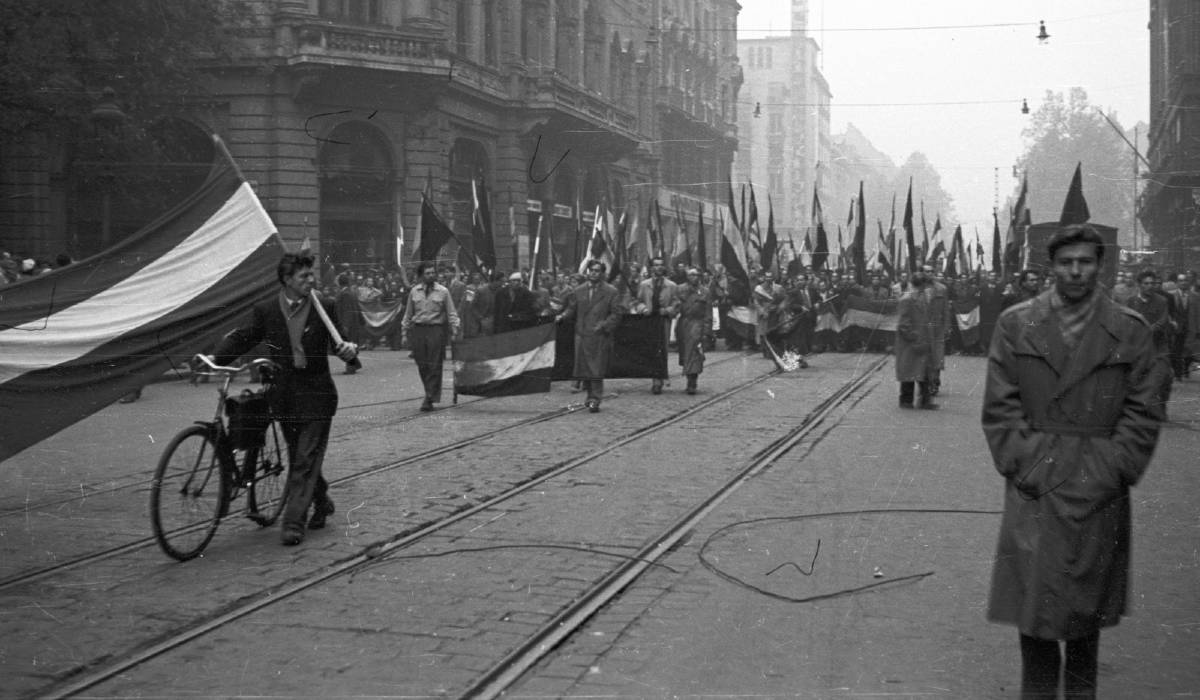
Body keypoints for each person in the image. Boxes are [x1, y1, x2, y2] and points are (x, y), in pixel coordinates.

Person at [982, 224, 1162, 699]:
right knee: (1034, 614)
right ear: (1051, 266)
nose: (1076, 271)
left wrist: (1109, 469)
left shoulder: (1128, 329)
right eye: (1066, 262)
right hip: (1035, 486)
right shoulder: (1016, 324)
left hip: (1098, 488)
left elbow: (1144, 410)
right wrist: (1026, 463)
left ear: (1100, 266)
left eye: (1085, 262)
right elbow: (1000, 407)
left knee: (1086, 619)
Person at [207, 253, 358, 546]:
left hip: (317, 395)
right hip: (284, 396)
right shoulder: (267, 310)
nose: (311, 280)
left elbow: (341, 340)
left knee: (303, 459)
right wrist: (217, 357)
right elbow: (245, 337)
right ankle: (321, 500)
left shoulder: (324, 306)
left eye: (311, 274)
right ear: (287, 280)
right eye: (304, 276)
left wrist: (349, 351)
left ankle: (293, 523)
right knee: (303, 457)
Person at [556, 260, 623, 412]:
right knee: (584, 369)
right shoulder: (578, 290)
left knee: (596, 369)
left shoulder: (610, 291)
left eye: (597, 271)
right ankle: (590, 395)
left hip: (598, 336)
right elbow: (572, 309)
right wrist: (561, 317)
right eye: (591, 270)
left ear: (602, 273)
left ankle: (595, 399)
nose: (593, 273)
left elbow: (616, 313)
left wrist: (604, 326)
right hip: (581, 335)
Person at [401, 261, 460, 412]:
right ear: (421, 275)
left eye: (433, 272)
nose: (431, 275)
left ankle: (429, 397)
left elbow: (451, 312)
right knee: (422, 365)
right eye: (427, 273)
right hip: (418, 330)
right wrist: (404, 333)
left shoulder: (443, 291)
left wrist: (454, 329)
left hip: (436, 330)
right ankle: (430, 392)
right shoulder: (414, 292)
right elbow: (408, 314)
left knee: (434, 364)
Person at [894, 266, 939, 410]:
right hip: (910, 343)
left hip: (922, 342)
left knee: (924, 371)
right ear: (919, 285)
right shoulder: (906, 300)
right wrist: (914, 337)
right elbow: (903, 324)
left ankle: (925, 401)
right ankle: (906, 400)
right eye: (924, 286)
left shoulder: (922, 298)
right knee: (909, 372)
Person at [636, 257, 678, 394]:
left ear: (664, 268)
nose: (658, 268)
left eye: (661, 265)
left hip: (663, 321)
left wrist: (667, 311)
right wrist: (643, 309)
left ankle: (658, 380)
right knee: (651, 349)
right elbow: (637, 301)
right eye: (655, 265)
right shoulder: (644, 285)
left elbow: (676, 304)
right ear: (651, 268)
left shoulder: (671, 286)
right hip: (649, 320)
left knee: (662, 349)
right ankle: (655, 377)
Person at [674, 267, 713, 394]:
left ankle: (692, 382)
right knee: (685, 354)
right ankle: (689, 378)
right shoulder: (680, 289)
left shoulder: (705, 292)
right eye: (691, 275)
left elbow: (708, 313)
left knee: (695, 353)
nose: (693, 277)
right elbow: (675, 306)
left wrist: (707, 331)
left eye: (696, 275)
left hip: (697, 324)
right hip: (683, 324)